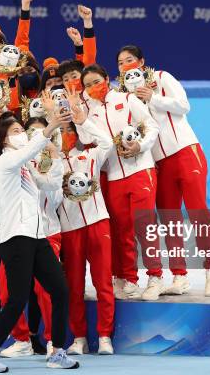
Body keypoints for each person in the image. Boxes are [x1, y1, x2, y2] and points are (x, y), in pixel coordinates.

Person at [0, 108, 79, 372]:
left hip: (37, 237)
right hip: (15, 238)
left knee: (60, 290)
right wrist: (49, 129)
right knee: (17, 299)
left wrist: (55, 158)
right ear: (4, 141)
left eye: (22, 130)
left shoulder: (24, 167)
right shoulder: (5, 162)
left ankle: (57, 351)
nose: (21, 134)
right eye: (15, 131)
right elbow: (28, 151)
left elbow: (49, 185)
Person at [116, 45, 210, 296]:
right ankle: (179, 276)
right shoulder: (124, 96)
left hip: (186, 152)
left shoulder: (161, 78)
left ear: (142, 62)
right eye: (121, 63)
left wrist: (153, 98)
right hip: (159, 164)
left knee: (198, 213)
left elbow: (184, 106)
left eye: (130, 60)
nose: (126, 66)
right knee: (170, 221)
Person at [79, 64, 162, 301]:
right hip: (114, 176)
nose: (94, 87)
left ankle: (155, 277)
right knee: (122, 231)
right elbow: (86, 139)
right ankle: (130, 279)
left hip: (140, 170)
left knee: (144, 227)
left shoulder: (127, 99)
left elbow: (151, 125)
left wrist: (141, 146)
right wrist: (82, 120)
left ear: (106, 78)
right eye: (88, 85)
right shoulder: (90, 111)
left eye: (96, 81)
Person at [58, 91, 115, 355]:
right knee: (74, 286)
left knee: (103, 282)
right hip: (70, 230)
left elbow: (107, 143)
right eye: (63, 132)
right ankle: (79, 337)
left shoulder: (90, 157)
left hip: (97, 223)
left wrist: (83, 121)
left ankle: (105, 336)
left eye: (71, 131)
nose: (67, 136)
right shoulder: (52, 165)